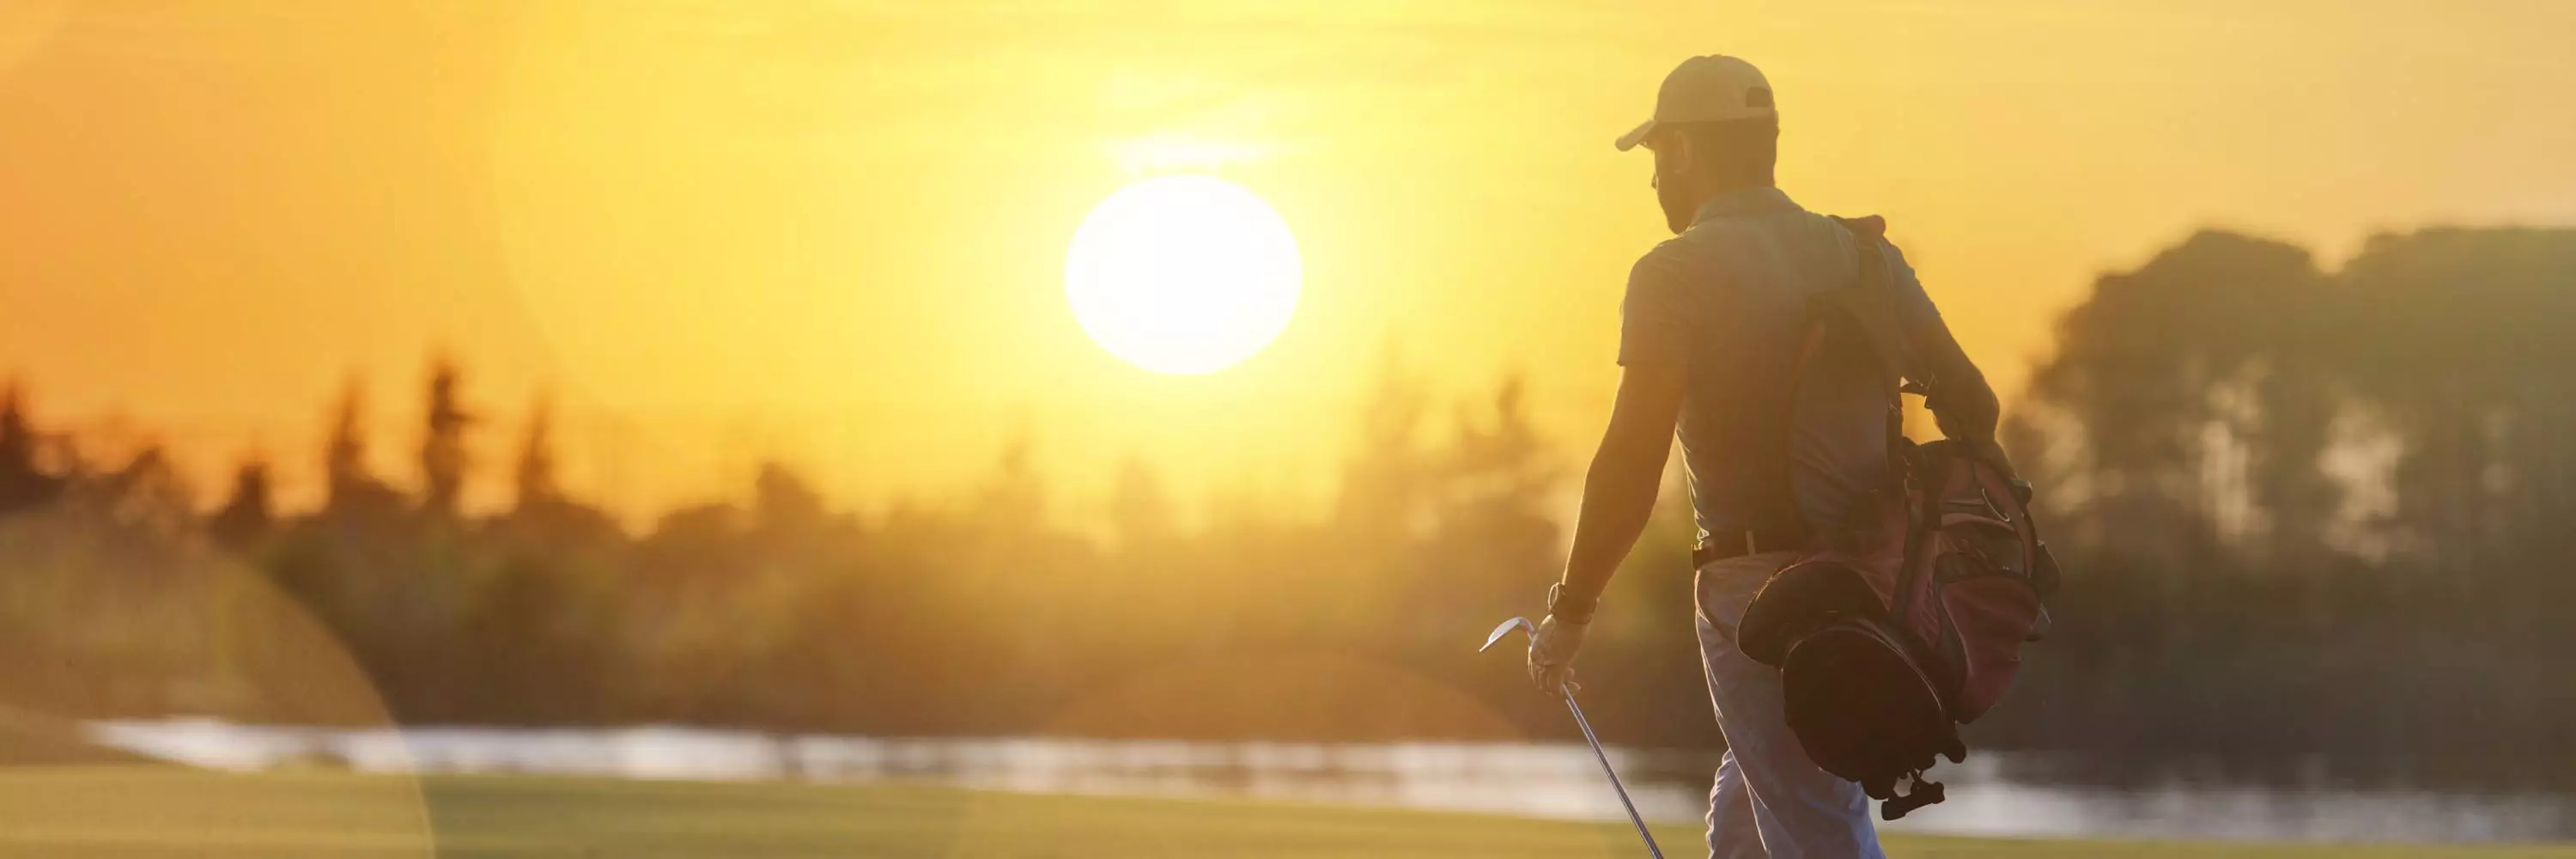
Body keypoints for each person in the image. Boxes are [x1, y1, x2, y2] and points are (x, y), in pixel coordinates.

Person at [1523, 55, 2004, 859]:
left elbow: (1632, 461)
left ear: (1681, 150)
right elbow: (1976, 407)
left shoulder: (1672, 273)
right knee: (1749, 827)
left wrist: (1571, 614)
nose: (1652, 184)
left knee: (1815, 831)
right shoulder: (1864, 258)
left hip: (1758, 596)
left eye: (1654, 159)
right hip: (1875, 583)